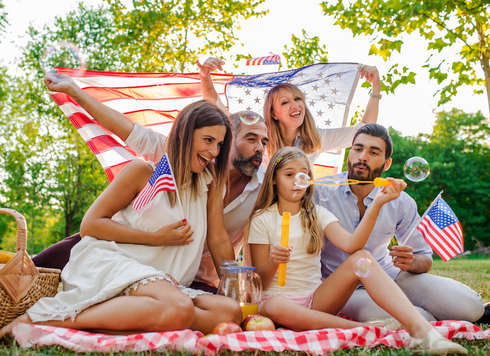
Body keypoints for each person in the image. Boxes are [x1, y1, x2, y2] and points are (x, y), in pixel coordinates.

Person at [0, 100, 243, 338]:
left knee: (228, 312)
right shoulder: (143, 172)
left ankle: (129, 318)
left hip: (160, 283)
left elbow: (218, 238)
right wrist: (155, 239)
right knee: (179, 308)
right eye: (208, 140)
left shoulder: (209, 183)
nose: (214, 152)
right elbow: (90, 225)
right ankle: (44, 319)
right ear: (183, 134)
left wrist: (237, 283)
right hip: (114, 263)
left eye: (220, 145)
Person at [33, 71, 270, 293]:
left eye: (264, 142)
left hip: (190, 274)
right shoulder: (177, 157)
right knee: (48, 263)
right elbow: (125, 128)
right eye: (251, 138)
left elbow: (219, 239)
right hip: (132, 253)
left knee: (218, 310)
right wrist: (75, 92)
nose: (259, 147)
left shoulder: (254, 185)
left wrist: (235, 290)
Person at [244, 146, 467, 355]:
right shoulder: (262, 219)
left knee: (362, 258)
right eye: (289, 174)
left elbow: (353, 245)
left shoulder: (316, 213)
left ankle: (424, 332)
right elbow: (260, 283)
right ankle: (365, 329)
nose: (297, 181)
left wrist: (377, 204)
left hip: (317, 299)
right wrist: (274, 261)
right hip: (276, 301)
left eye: (303, 174)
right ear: (273, 179)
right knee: (275, 306)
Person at [315, 123, 485, 323]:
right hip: (342, 286)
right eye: (358, 149)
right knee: (419, 317)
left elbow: (425, 260)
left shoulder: (400, 201)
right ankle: (421, 317)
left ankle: (429, 315)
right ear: (349, 154)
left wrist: (411, 262)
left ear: (386, 164)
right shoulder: (320, 193)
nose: (362, 157)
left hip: (387, 275)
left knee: (471, 308)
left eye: (373, 152)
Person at [197, 57, 381, 166]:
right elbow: (217, 108)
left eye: (298, 99)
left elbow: (363, 130)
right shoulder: (258, 134)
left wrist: (375, 88)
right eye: (285, 102)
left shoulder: (315, 140)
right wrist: (205, 77)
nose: (295, 105)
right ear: (274, 113)